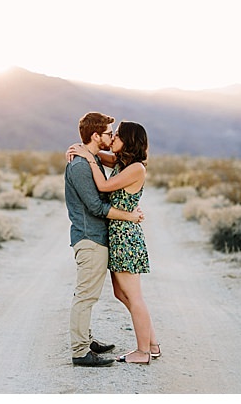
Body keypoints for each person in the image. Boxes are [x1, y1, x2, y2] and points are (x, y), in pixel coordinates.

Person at [70, 120, 159, 365]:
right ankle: (152, 344)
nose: (113, 139)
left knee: (134, 295)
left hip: (126, 235)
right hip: (117, 233)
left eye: (118, 135)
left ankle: (143, 352)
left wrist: (87, 159)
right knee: (122, 294)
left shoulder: (136, 168)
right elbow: (100, 157)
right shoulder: (123, 163)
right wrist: (83, 150)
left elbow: (103, 184)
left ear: (128, 140)